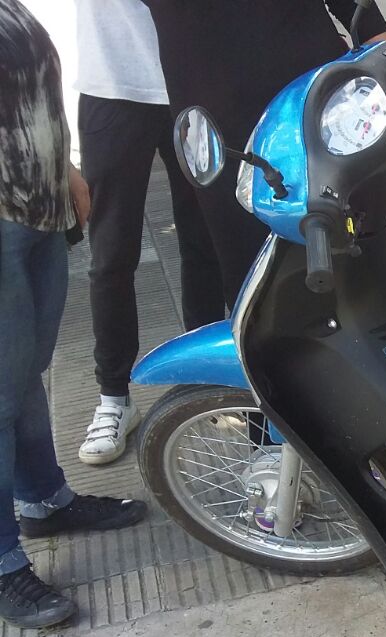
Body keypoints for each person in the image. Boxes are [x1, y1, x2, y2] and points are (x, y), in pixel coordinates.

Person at [1, 0, 148, 629]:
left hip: (35, 206)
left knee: (21, 376)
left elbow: (28, 90)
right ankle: (4, 565)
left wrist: (62, 166)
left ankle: (43, 500)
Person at [140, 0, 386, 305]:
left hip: (321, 112)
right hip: (220, 136)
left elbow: (359, 11)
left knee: (361, 272)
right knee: (254, 289)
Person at [74, 0, 225, 466]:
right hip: (111, 83)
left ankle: (203, 379)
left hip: (194, 78)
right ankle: (114, 396)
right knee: (111, 254)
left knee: (206, 240)